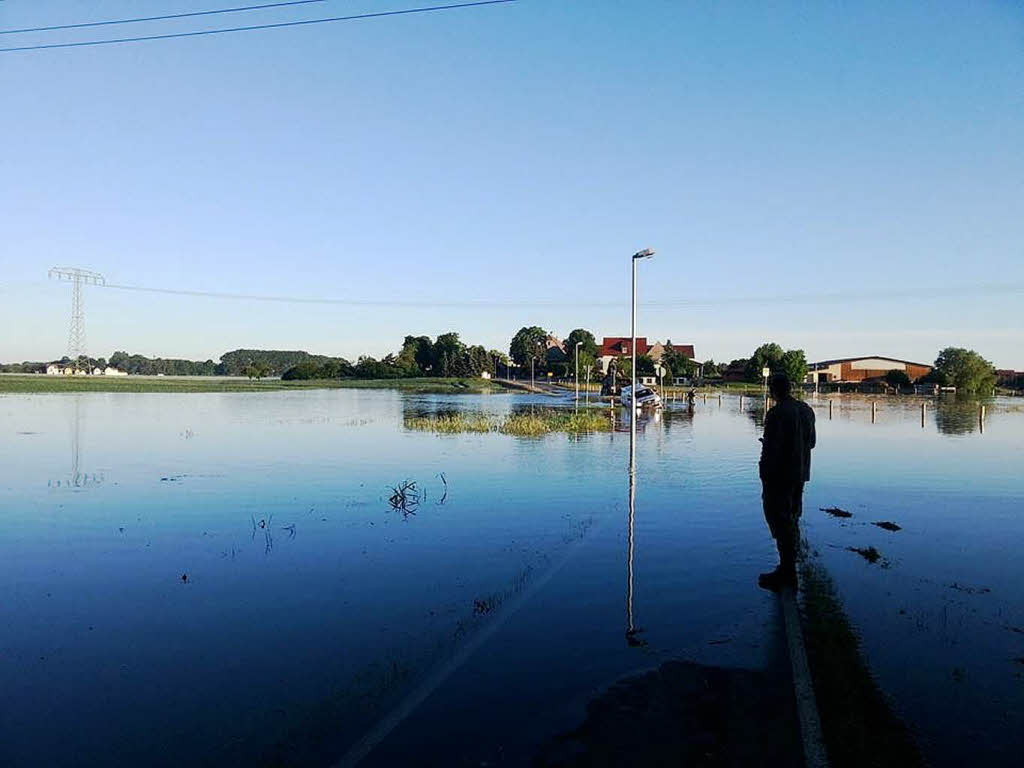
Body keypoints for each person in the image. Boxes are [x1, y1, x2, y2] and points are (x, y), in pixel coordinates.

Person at [758, 373, 816, 590]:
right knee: (793, 516)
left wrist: (764, 473)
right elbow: (811, 443)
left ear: (774, 390)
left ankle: (787, 572)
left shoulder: (776, 414)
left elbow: (771, 449)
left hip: (779, 475)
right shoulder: (806, 410)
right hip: (800, 473)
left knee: (779, 519)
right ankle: (790, 567)